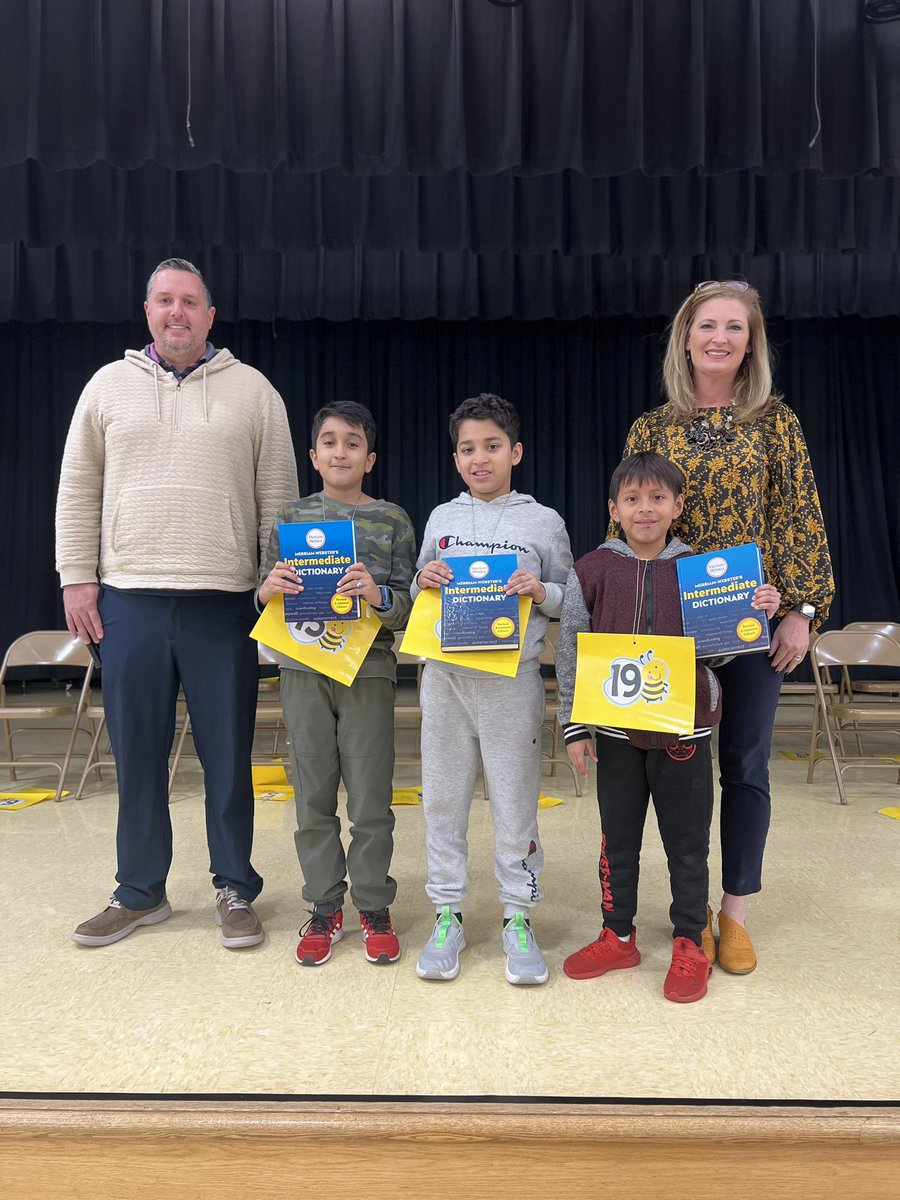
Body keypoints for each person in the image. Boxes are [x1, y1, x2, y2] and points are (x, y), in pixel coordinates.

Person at [57, 258, 299, 950]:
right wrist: (77, 576)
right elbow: (78, 489)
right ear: (147, 311)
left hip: (223, 603)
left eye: (189, 301)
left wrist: (271, 592)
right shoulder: (106, 388)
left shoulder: (253, 392)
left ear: (211, 316)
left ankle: (234, 887)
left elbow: (277, 499)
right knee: (137, 754)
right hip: (128, 598)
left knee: (227, 755)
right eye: (165, 300)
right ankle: (138, 890)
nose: (177, 312)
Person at [619, 280, 834, 973]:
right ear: (686, 337)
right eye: (707, 325)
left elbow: (800, 518)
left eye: (734, 328)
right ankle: (688, 914)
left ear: (750, 342)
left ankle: (734, 912)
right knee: (676, 771)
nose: (719, 337)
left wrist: (800, 611)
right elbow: (628, 525)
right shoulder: (651, 429)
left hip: (751, 628)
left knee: (744, 767)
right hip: (670, 630)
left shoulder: (777, 423)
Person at [557, 452, 781, 1002]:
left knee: (687, 845)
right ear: (614, 509)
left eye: (657, 498)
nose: (645, 509)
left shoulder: (699, 573)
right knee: (619, 842)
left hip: (684, 733)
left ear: (678, 506)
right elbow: (571, 654)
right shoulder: (590, 570)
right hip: (614, 735)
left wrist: (753, 614)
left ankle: (688, 941)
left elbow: (722, 656)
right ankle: (618, 934)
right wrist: (574, 726)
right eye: (632, 499)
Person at [412, 393, 573, 985]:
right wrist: (421, 580)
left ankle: (517, 918)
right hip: (446, 682)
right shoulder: (441, 519)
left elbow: (572, 596)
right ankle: (447, 913)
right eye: (467, 449)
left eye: (492, 446)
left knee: (514, 805)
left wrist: (542, 592)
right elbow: (419, 591)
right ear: (456, 458)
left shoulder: (543, 521)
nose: (480, 458)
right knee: (444, 802)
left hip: (512, 684)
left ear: (516, 452)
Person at [257, 401, 416, 966]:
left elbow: (410, 606)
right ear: (313, 455)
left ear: (369, 458)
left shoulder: (392, 518)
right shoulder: (290, 517)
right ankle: (324, 907)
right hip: (302, 668)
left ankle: (374, 906)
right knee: (313, 795)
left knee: (371, 796)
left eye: (352, 443)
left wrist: (379, 596)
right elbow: (264, 592)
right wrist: (268, 588)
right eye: (329, 442)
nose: (340, 451)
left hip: (368, 667)